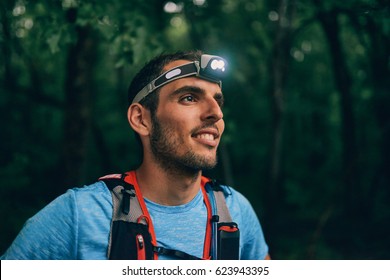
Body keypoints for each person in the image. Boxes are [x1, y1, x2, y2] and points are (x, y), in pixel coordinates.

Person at [1, 50, 269, 260]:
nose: (216, 113)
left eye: (218, 100)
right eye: (189, 97)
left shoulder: (235, 213)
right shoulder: (81, 215)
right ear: (141, 119)